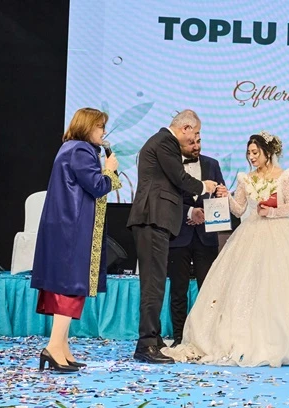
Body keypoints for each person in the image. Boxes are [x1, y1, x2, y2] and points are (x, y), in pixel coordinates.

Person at [164, 131, 289, 367]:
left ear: (268, 153)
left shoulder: (287, 176)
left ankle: (288, 341)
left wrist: (272, 212)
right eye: (249, 153)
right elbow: (239, 209)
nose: (251, 157)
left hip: (283, 234)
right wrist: (226, 197)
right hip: (251, 232)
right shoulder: (245, 178)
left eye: (255, 153)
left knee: (283, 284)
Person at [31, 107, 121, 372]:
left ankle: (62, 347)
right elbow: (97, 186)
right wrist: (110, 170)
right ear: (88, 127)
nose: (103, 132)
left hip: (65, 226)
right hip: (72, 229)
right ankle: (53, 347)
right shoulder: (81, 150)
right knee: (70, 286)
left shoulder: (69, 148)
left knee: (66, 285)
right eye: (100, 127)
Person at [127, 110, 218, 364]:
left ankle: (153, 338)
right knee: (153, 284)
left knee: (155, 282)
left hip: (156, 220)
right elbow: (179, 177)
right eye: (195, 133)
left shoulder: (160, 141)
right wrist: (204, 186)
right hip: (152, 217)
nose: (195, 139)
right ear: (185, 128)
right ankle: (146, 344)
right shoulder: (166, 141)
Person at [167, 134, 225, 347]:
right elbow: (168, 199)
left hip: (206, 236)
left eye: (199, 141)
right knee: (178, 290)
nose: (196, 146)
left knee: (209, 289)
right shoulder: (171, 166)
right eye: (191, 142)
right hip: (178, 235)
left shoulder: (212, 164)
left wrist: (222, 194)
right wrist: (189, 212)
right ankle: (179, 338)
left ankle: (208, 337)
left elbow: (219, 200)